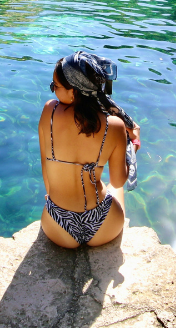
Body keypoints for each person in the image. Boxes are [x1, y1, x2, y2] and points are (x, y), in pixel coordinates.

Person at [39, 52, 141, 248]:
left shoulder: (49, 112)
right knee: (111, 188)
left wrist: (52, 196)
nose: (53, 91)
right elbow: (119, 180)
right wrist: (134, 143)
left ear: (73, 92)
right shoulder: (115, 125)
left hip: (57, 226)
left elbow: (45, 165)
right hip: (104, 225)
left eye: (55, 86)